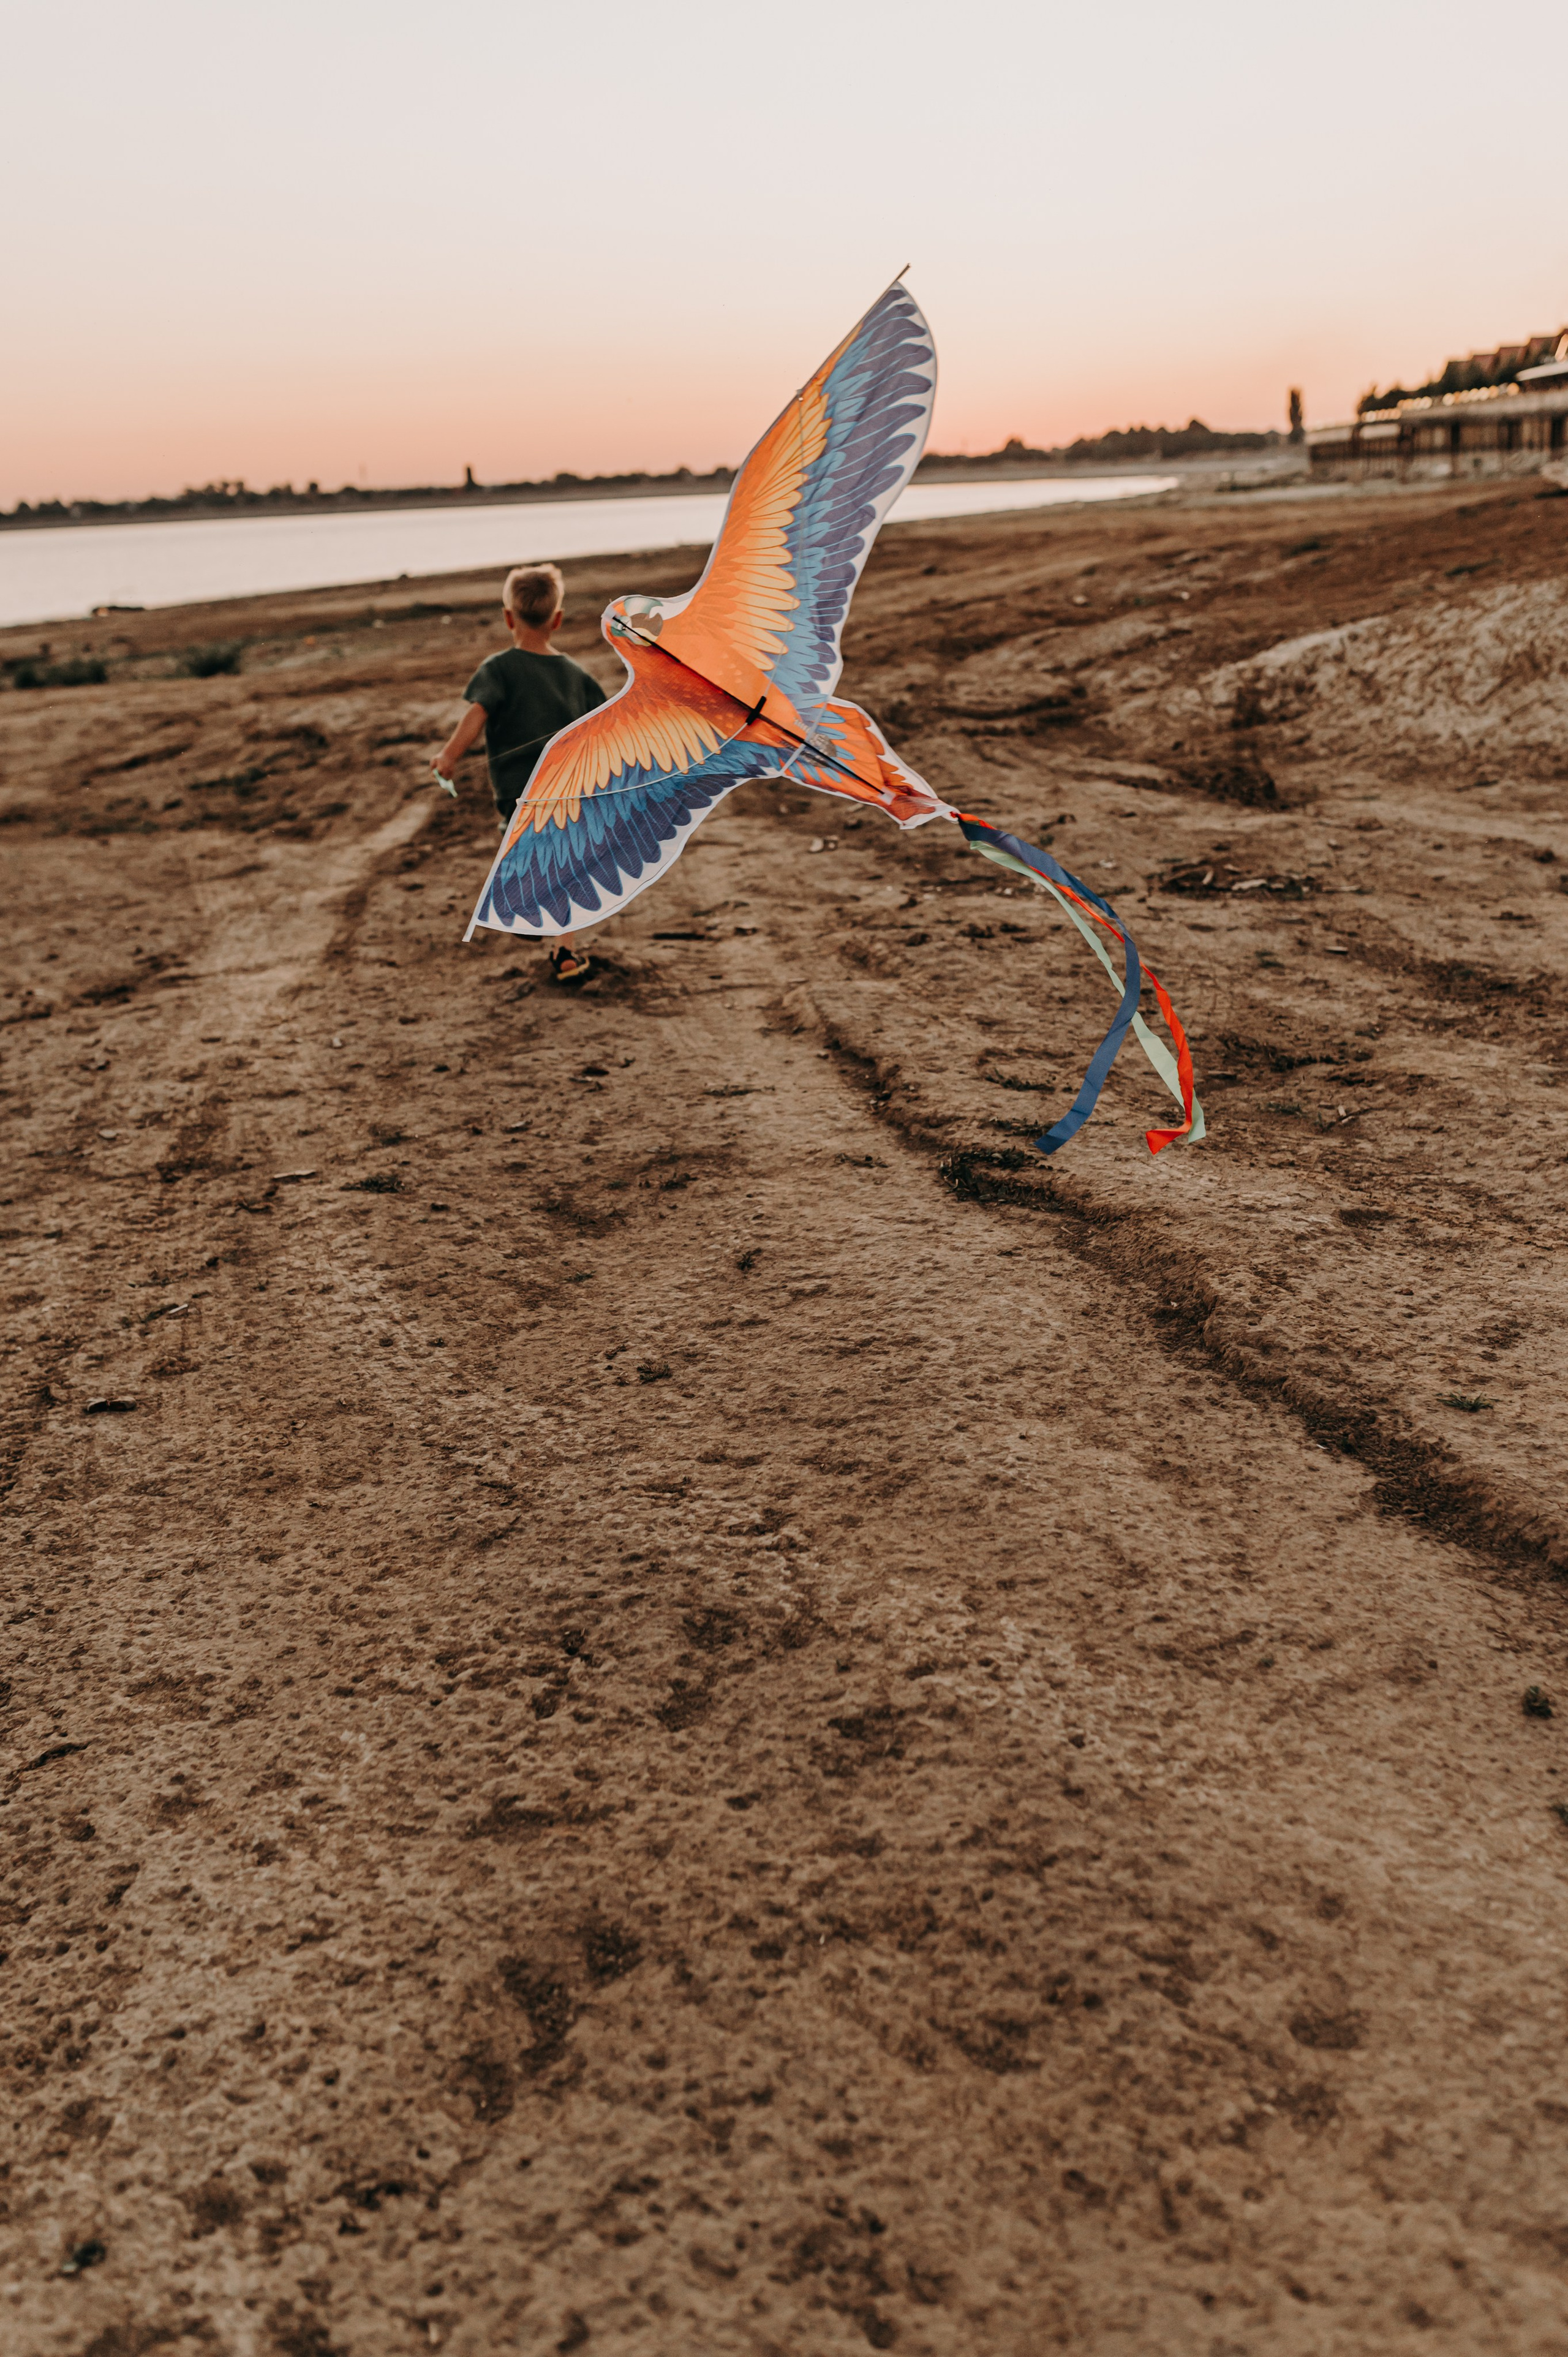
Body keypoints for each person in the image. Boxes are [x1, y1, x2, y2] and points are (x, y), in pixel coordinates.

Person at [434, 562, 606, 982]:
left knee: (525, 854)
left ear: (509, 618)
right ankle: (564, 952)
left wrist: (449, 756)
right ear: (558, 621)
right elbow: (600, 731)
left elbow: (476, 716)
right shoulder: (576, 676)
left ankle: (528, 913)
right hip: (567, 795)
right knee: (567, 869)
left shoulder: (498, 669)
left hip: (518, 795)